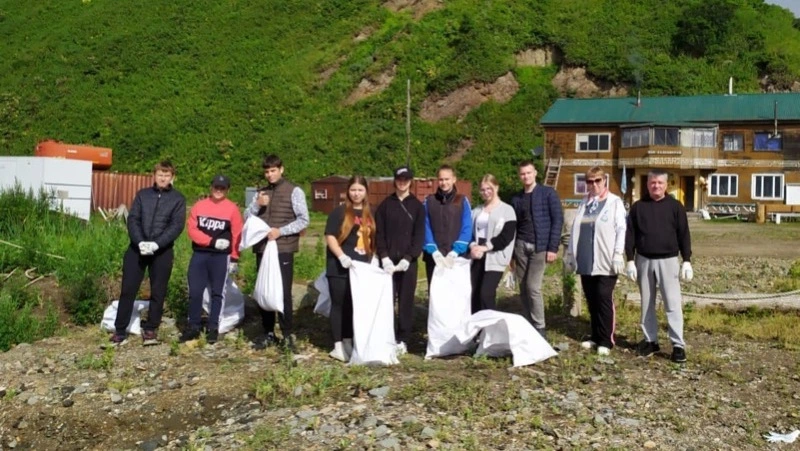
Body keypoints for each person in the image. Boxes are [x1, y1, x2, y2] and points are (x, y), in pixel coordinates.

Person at [109, 161, 186, 347]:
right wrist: (140, 241)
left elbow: (176, 226)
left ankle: (151, 329)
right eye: (160, 174)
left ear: (172, 178)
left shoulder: (178, 199)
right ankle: (120, 330)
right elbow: (133, 218)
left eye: (167, 175)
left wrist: (157, 244)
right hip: (137, 249)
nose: (162, 178)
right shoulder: (143, 195)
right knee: (128, 289)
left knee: (158, 291)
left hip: (162, 251)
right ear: (154, 175)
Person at [625, 169, 693, 363]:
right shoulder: (638, 207)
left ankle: (678, 345)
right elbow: (630, 235)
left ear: (666, 185)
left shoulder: (676, 207)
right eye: (652, 182)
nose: (656, 186)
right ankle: (650, 340)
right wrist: (630, 259)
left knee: (672, 304)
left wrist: (686, 260)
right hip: (643, 260)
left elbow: (684, 234)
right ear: (647, 184)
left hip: (669, 260)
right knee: (647, 303)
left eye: (660, 183)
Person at [245, 154, 309, 351]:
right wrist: (257, 205)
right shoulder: (259, 192)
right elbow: (246, 216)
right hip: (263, 248)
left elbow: (303, 220)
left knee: (283, 292)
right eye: (266, 171)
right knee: (264, 290)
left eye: (273, 170)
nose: (269, 175)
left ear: (281, 169)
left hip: (283, 248)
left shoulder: (294, 191)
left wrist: (280, 231)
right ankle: (268, 333)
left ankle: (288, 333)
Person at [564, 167, 626, 356]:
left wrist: (617, 253)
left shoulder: (614, 202)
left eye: (597, 181)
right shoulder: (585, 202)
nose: (593, 185)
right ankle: (595, 335)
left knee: (603, 297)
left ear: (604, 181)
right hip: (586, 260)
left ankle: (607, 339)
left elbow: (621, 229)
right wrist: (571, 255)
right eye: (589, 181)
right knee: (591, 299)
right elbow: (576, 230)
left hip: (605, 260)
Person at [184, 175, 243, 344]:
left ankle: (213, 327)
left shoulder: (232, 209)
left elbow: (237, 234)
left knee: (218, 292)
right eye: (216, 187)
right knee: (195, 291)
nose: (218, 190)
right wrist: (211, 241)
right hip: (200, 253)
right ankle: (193, 325)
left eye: (222, 188)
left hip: (221, 257)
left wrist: (234, 258)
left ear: (227, 190)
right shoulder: (199, 206)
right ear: (211, 187)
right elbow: (192, 230)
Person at [325, 175, 376, 361]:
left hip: (361, 269)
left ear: (366, 192)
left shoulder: (370, 213)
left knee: (352, 305)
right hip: (339, 267)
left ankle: (348, 339)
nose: (356, 194)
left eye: (360, 190)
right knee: (339, 304)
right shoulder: (339, 212)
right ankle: (337, 344)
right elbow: (330, 236)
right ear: (348, 191)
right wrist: (341, 256)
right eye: (353, 190)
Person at [375, 166, 425, 355]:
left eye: (406, 179)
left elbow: (419, 235)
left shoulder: (418, 206)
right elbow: (379, 234)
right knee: (387, 300)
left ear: (410, 181)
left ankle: (403, 338)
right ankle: (386, 335)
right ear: (394, 181)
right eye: (399, 179)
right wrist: (384, 256)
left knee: (406, 301)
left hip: (407, 263)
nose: (402, 182)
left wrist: (409, 257)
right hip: (387, 262)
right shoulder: (385, 205)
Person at [511, 160, 563, 340]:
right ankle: (527, 323)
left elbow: (557, 221)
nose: (526, 176)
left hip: (540, 247)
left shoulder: (548, 193)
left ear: (535, 174)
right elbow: (514, 226)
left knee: (533, 287)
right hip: (520, 246)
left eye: (529, 173)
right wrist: (512, 255)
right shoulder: (517, 198)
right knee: (523, 288)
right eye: (522, 174)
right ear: (520, 176)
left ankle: (540, 326)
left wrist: (552, 247)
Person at [468, 174, 516, 313]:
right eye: (482, 190)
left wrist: (485, 247)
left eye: (489, 188)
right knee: (473, 294)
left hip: (495, 257)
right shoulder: (476, 211)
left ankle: (491, 328)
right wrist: (473, 247)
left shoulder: (507, 210)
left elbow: (506, 236)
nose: (486, 192)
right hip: (477, 256)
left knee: (486, 294)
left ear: (496, 187)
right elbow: (469, 233)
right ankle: (476, 330)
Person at [422, 165, 472, 286]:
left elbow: (467, 226)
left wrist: (456, 251)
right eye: (441, 179)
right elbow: (425, 226)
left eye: (447, 179)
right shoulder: (429, 201)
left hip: (456, 257)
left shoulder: (462, 200)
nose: (444, 183)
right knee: (436, 292)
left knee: (456, 294)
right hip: (434, 257)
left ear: (454, 179)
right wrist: (432, 250)